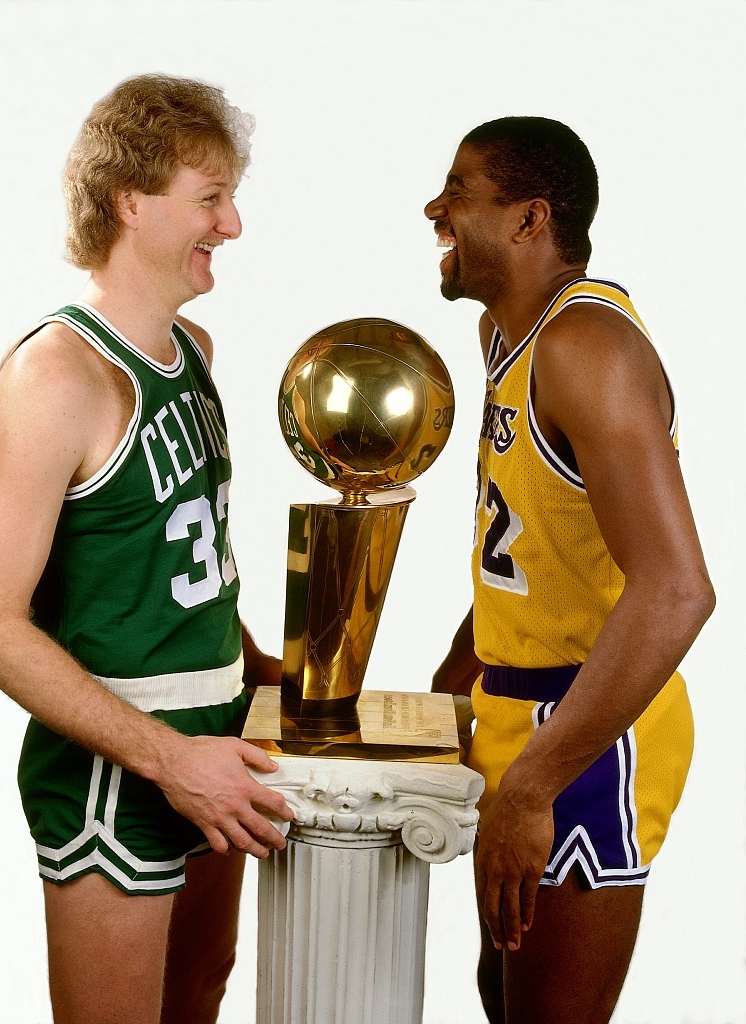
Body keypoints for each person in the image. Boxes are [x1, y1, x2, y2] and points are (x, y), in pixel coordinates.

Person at [0, 74, 293, 1024]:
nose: (231, 225)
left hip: (219, 738)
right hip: (120, 762)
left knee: (198, 999)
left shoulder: (196, 353)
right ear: (129, 202)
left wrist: (263, 669)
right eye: (210, 198)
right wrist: (168, 761)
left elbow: (173, 561)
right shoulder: (56, 376)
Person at [425, 117, 714, 1024]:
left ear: (529, 219)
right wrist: (458, 674)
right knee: (501, 994)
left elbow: (677, 590)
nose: (435, 208)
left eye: (460, 191)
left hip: (587, 730)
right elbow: (534, 543)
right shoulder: (502, 336)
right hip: (518, 708)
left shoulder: (585, 346)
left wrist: (535, 783)